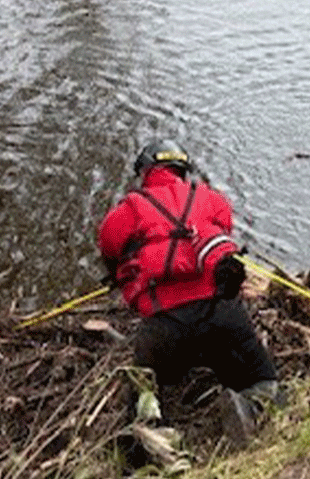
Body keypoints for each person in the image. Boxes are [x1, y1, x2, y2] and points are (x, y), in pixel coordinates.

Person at [98, 140, 280, 443]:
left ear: (145, 171)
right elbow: (222, 236)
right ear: (183, 170)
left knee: (144, 397)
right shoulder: (211, 199)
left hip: (164, 327)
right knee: (262, 381)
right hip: (222, 314)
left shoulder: (128, 210)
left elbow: (109, 247)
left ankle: (160, 443)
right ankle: (247, 409)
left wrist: (119, 275)